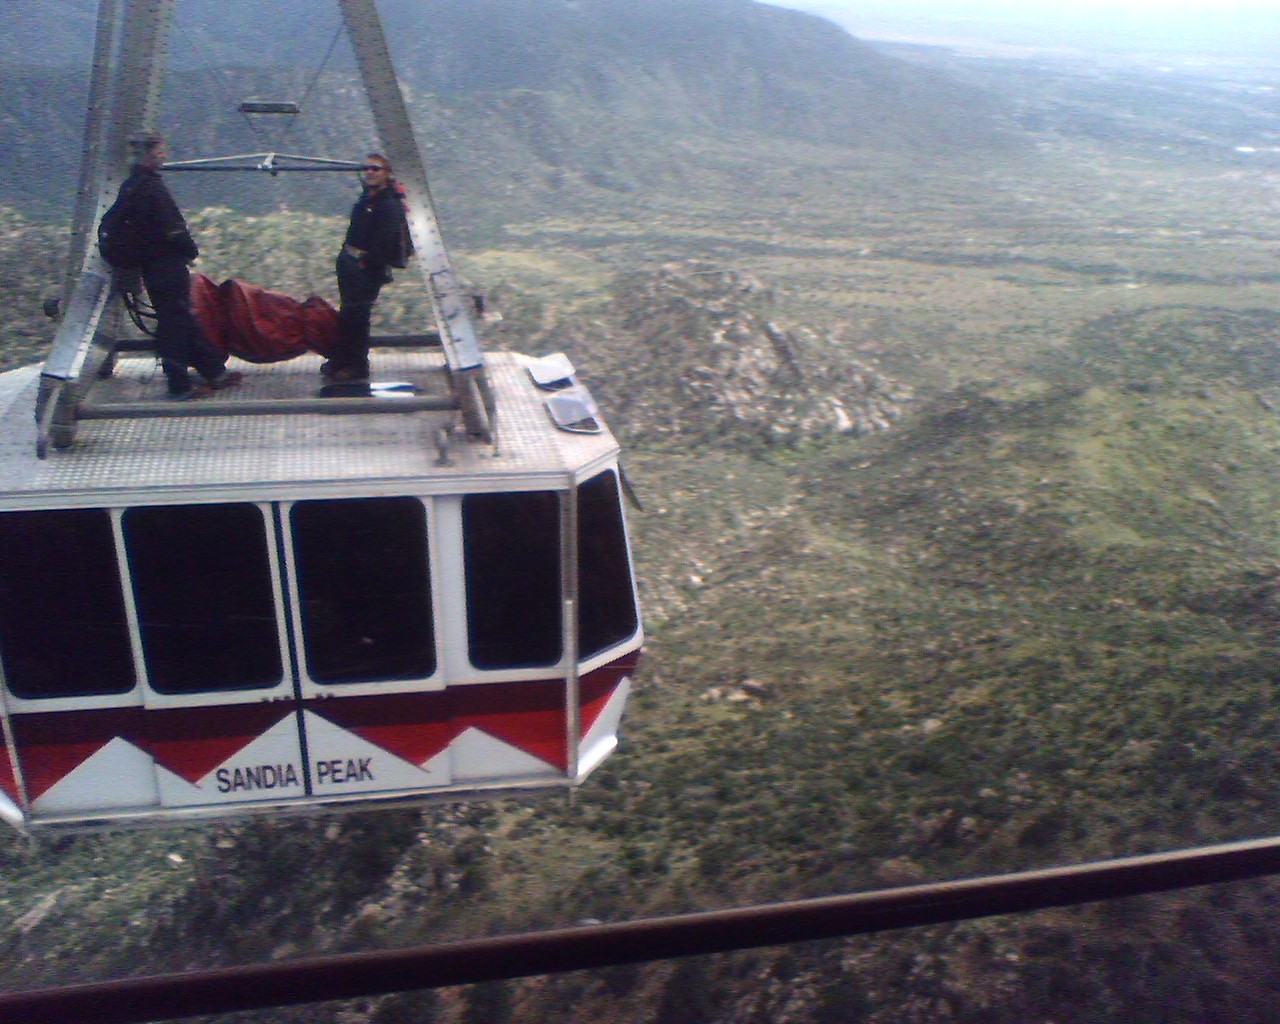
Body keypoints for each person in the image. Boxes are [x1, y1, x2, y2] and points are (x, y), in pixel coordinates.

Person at [116, 132, 243, 400]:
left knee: (181, 317)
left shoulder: (131, 186)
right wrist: (190, 250)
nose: (164, 156)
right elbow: (173, 228)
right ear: (150, 154)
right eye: (160, 152)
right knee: (175, 323)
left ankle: (213, 371)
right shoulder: (153, 189)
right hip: (167, 265)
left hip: (151, 266)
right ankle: (179, 385)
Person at [325, 153, 411, 383]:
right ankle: (342, 360)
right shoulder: (369, 198)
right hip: (353, 264)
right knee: (349, 315)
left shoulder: (388, 204)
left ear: (387, 173)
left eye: (376, 169)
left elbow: (387, 240)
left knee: (357, 316)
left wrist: (366, 263)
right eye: (368, 168)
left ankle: (357, 367)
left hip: (364, 268)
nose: (370, 172)